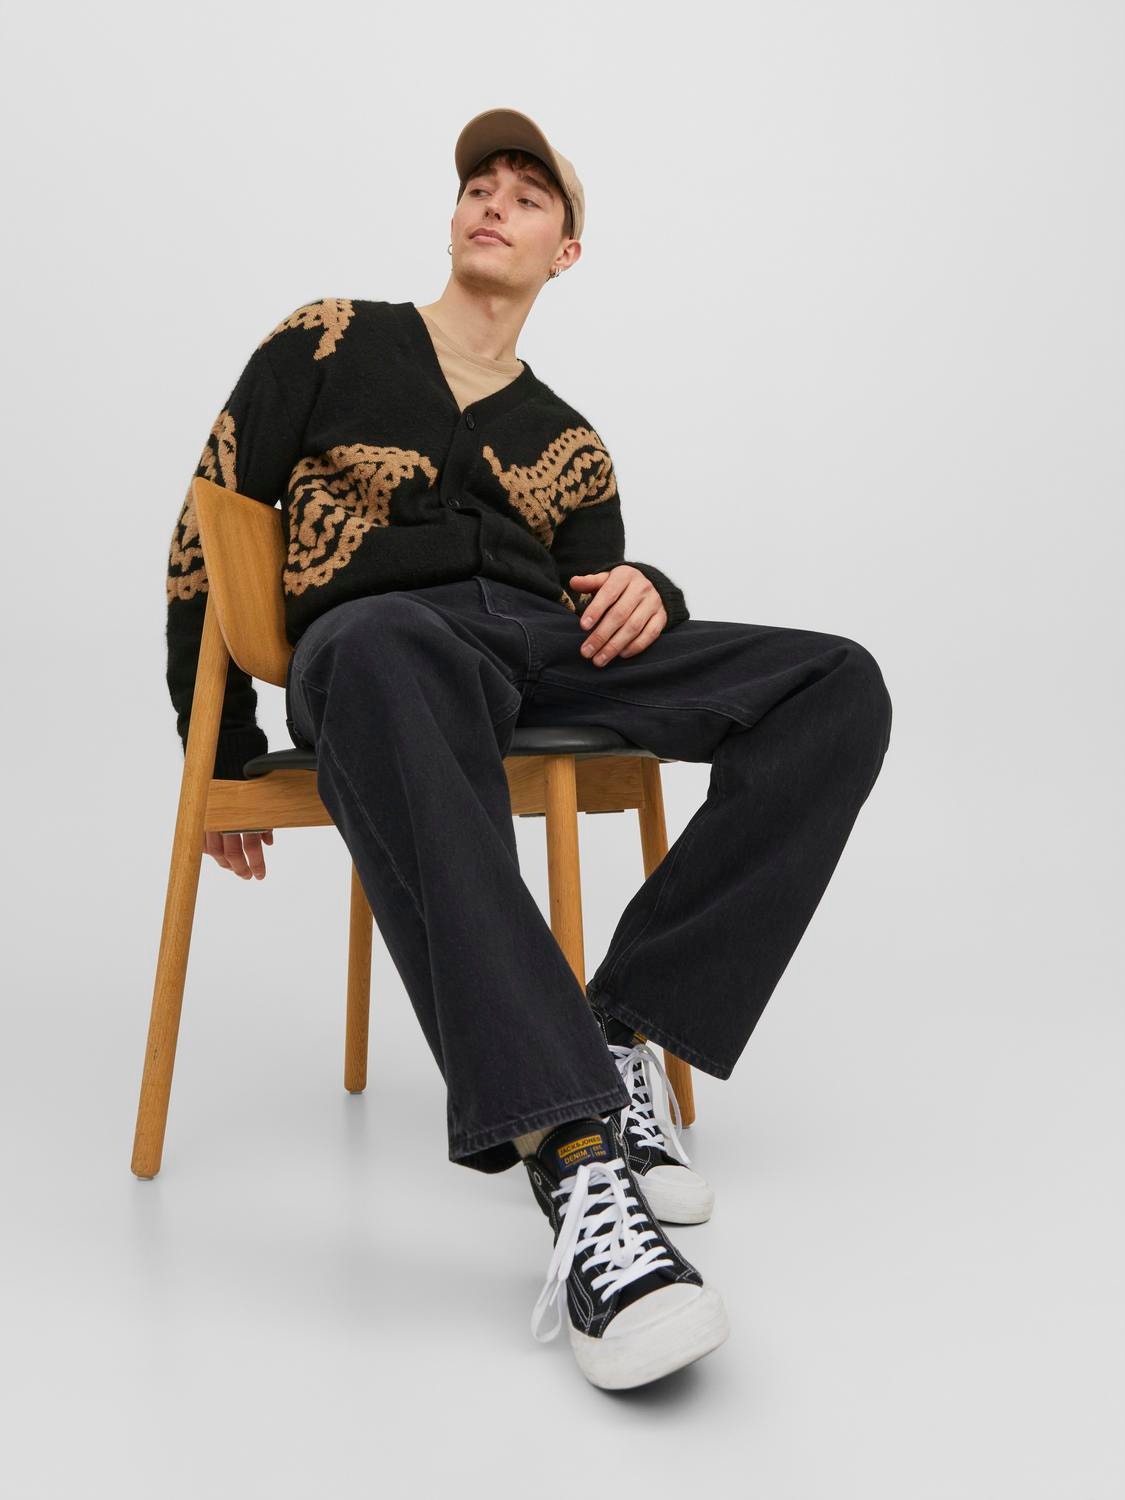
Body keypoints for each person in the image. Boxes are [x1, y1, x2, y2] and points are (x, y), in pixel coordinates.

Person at [164, 107, 893, 1391]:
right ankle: (574, 1158)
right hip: (374, 648)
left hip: (534, 649)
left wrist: (653, 588)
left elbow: (602, 597)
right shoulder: (326, 340)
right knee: (385, 648)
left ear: (565, 253)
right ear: (454, 219)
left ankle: (624, 1024)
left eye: (528, 194)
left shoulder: (570, 441)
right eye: (479, 185)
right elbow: (202, 533)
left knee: (835, 687)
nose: (494, 201)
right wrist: (213, 740)